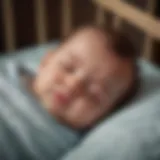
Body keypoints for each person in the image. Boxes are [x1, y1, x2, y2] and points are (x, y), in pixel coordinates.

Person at [0, 25, 137, 160]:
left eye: (94, 93)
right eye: (68, 67)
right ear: (46, 61)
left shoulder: (73, 145)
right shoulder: (9, 71)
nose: (73, 86)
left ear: (101, 118)